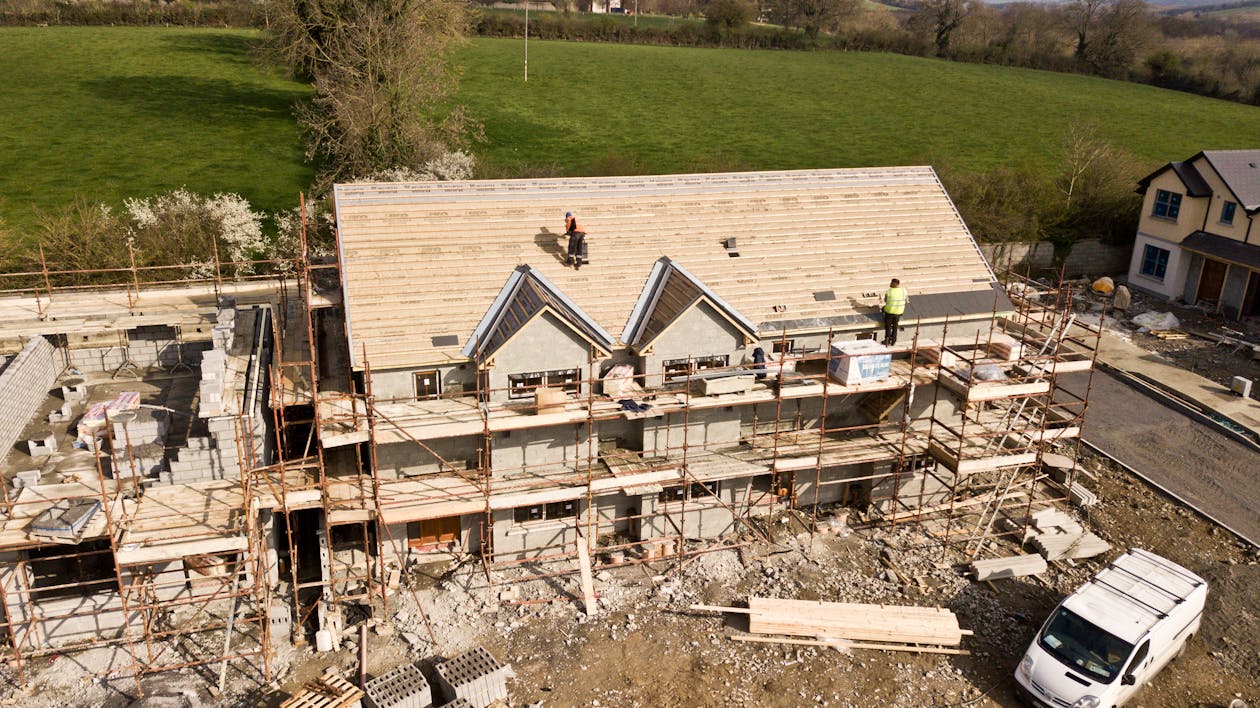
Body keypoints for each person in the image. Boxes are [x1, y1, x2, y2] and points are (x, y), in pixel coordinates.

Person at [881, 278, 908, 346]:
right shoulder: (903, 291)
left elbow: (886, 301)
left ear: (894, 284)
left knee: (888, 326)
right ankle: (893, 341)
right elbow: (906, 300)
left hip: (890, 312)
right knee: (895, 326)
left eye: (891, 283)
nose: (890, 284)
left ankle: (887, 340)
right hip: (899, 312)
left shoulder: (889, 291)